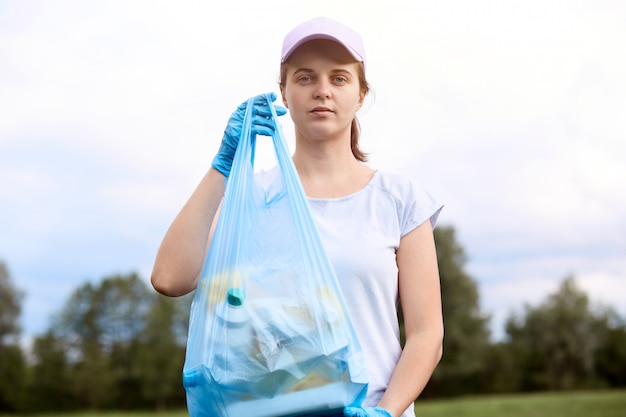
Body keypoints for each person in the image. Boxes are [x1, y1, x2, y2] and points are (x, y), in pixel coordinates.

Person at [151, 16, 444, 417]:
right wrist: (223, 165)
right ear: (284, 94)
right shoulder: (252, 197)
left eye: (339, 78)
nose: (322, 91)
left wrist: (386, 412)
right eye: (305, 78)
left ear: (360, 95)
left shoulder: (398, 199)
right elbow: (170, 278)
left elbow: (427, 334)